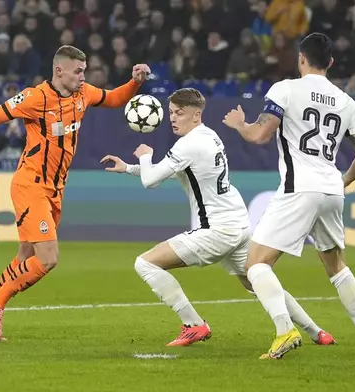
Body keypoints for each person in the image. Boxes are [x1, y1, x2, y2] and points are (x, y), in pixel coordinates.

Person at [0, 45, 150, 341]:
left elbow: (115, 98)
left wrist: (135, 82)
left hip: (55, 190)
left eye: (84, 71)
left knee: (26, 255)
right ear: (59, 70)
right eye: (78, 71)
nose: (84, 77)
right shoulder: (36, 97)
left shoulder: (84, 94)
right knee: (48, 258)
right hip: (30, 185)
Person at [101, 88, 335, 348]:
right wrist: (129, 168)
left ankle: (193, 324)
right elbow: (169, 171)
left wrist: (144, 157)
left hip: (216, 230)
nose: (173, 119)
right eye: (170, 113)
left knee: (145, 264)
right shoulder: (208, 136)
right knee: (256, 282)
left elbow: (150, 181)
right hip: (238, 224)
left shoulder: (188, 144)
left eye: (180, 113)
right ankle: (317, 332)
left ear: (196, 114)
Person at [222, 32, 355, 359]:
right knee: (337, 268)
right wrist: (341, 181)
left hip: (300, 187)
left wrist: (240, 124)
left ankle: (284, 330)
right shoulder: (346, 101)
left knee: (255, 265)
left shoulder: (286, 89)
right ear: (331, 63)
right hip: (331, 190)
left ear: (301, 59)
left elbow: (262, 134)